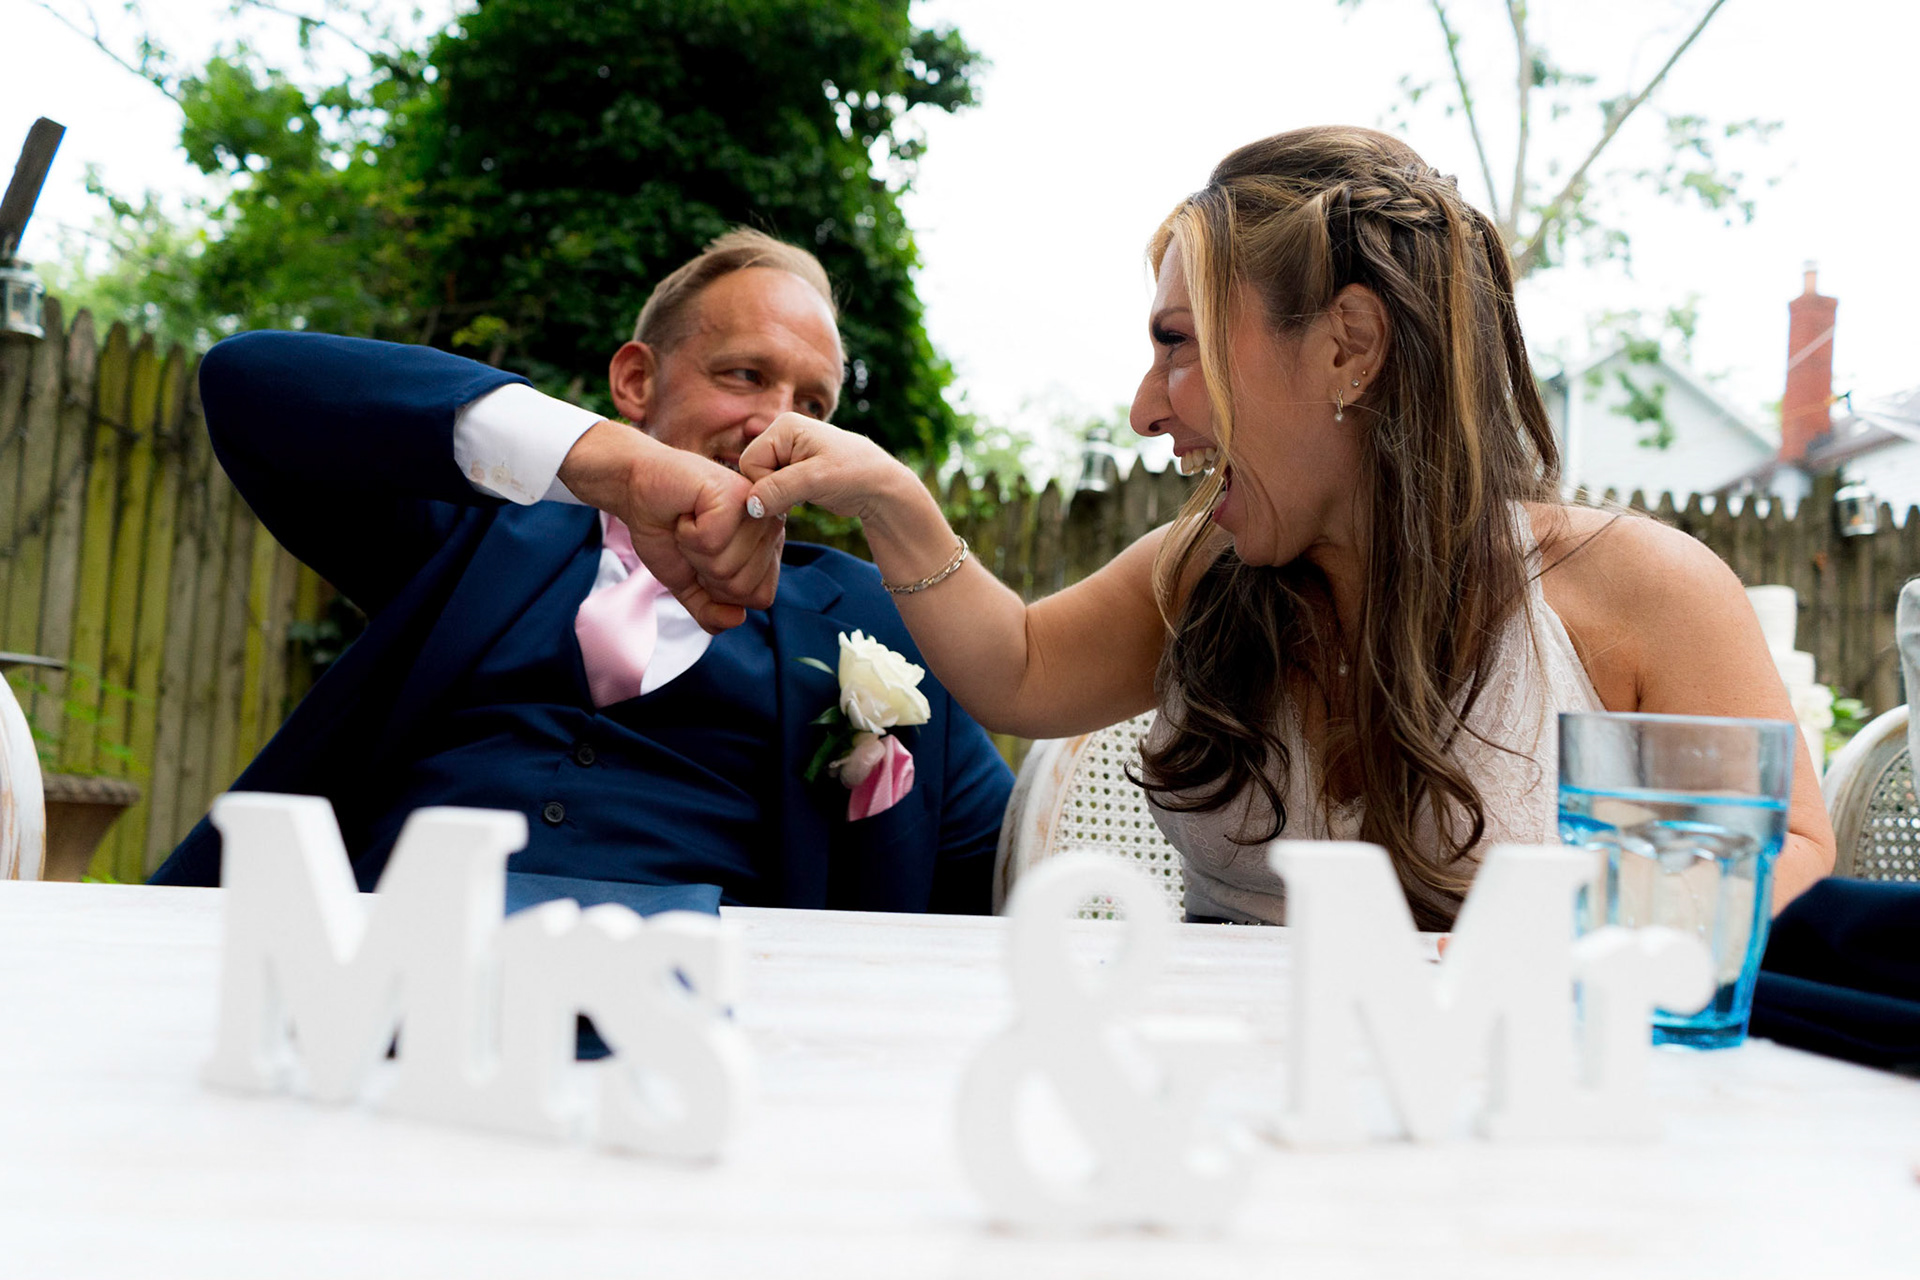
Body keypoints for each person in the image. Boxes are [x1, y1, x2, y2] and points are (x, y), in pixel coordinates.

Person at [738, 126, 1836, 930]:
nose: (1145, 407)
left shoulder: (1640, 589)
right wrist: (892, 495)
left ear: (1349, 348)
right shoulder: (1202, 567)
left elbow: (1789, 848)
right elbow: (1022, 670)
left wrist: (1577, 960)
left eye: (1180, 342)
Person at [151, 229, 1013, 914]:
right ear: (636, 382)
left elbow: (1017, 855)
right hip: (376, 960)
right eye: (744, 374)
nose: (779, 426)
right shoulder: (474, 538)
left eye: (814, 405)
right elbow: (247, 382)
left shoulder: (872, 619)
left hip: (687, 1036)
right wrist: (618, 467)